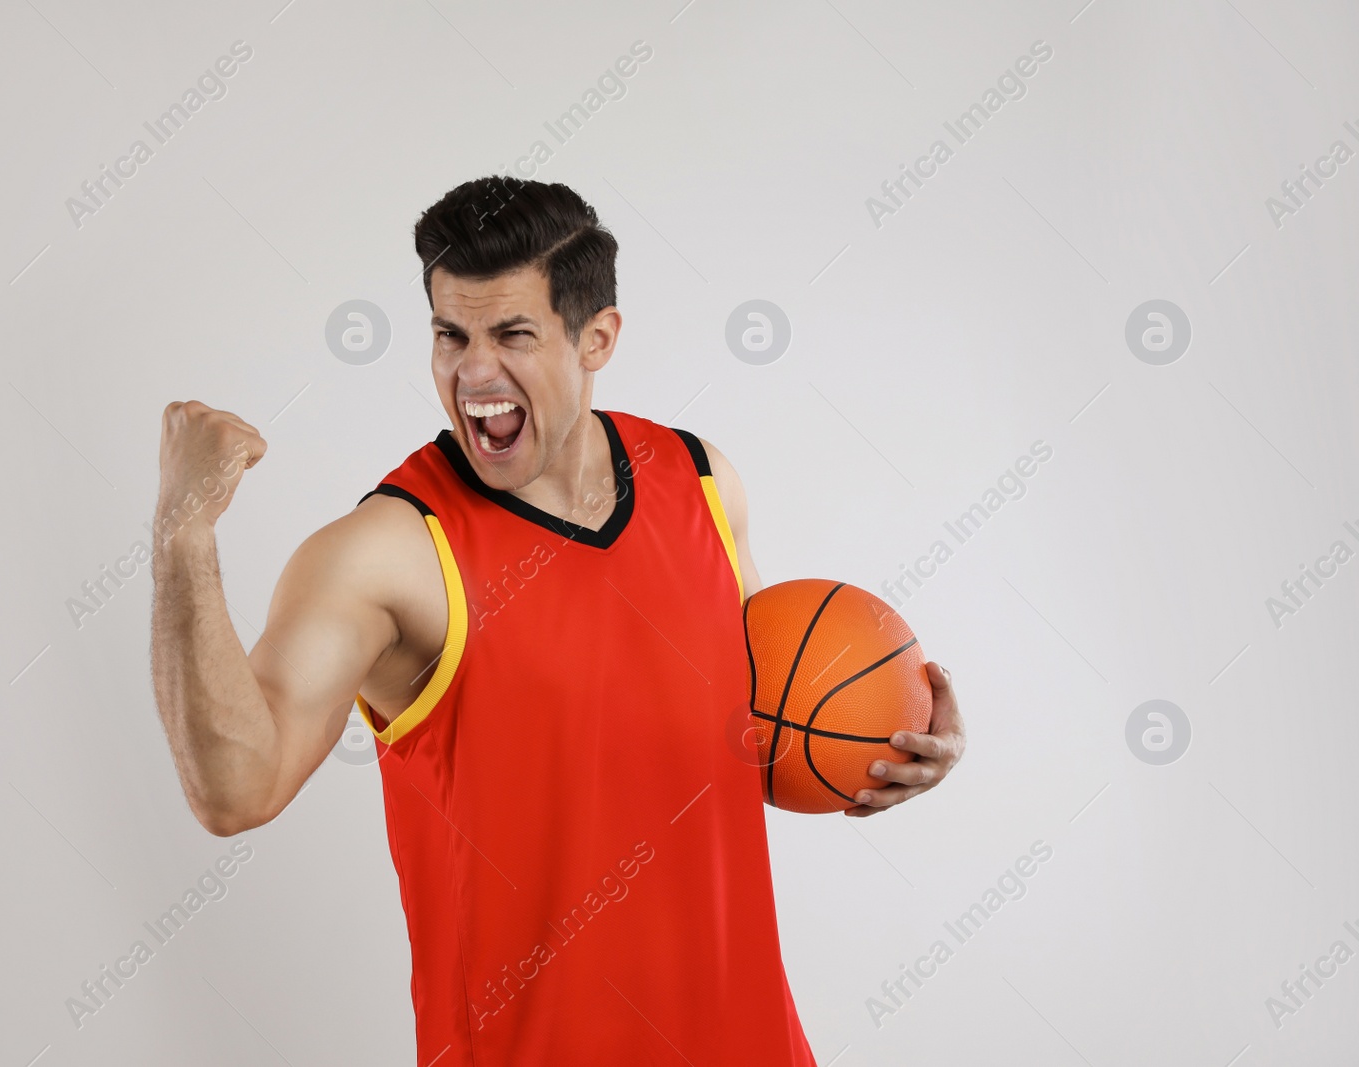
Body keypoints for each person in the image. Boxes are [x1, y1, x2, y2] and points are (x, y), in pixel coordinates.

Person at [150, 176, 966, 1065]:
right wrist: (181, 534)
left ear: (597, 337)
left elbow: (757, 726)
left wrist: (888, 748)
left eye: (512, 335)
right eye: (448, 335)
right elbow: (233, 791)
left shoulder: (700, 483)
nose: (472, 374)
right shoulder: (385, 554)